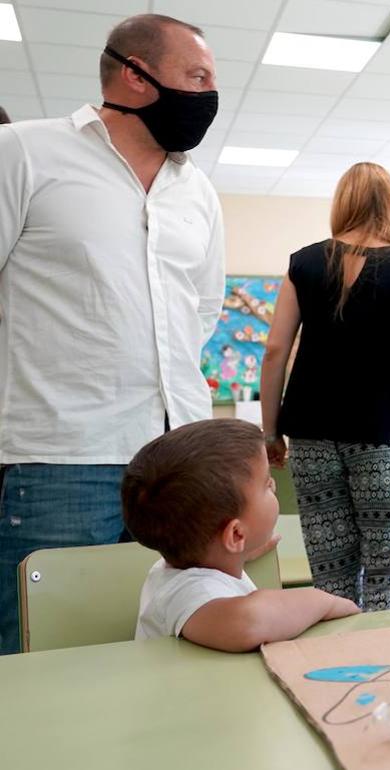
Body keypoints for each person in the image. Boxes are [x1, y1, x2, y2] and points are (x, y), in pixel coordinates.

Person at [0, 14, 225, 655]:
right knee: (46, 653)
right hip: (64, 456)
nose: (209, 94)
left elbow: (200, 309)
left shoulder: (197, 190)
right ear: (134, 75)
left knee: (174, 646)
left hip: (181, 455)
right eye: (198, 76)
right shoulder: (25, 153)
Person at [261, 162, 390, 611]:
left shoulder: (304, 263)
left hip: (311, 435)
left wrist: (270, 432)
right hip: (385, 436)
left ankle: (333, 674)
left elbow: (275, 351)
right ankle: (381, 672)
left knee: (330, 576)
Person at [123, 419, 359, 652]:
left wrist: (243, 552)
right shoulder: (188, 592)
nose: (274, 486)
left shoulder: (186, 566)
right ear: (235, 535)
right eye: (267, 484)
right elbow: (249, 622)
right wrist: (322, 601)